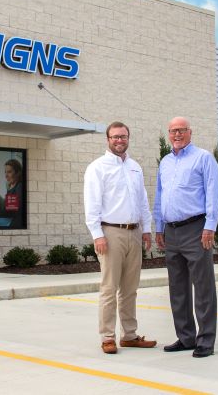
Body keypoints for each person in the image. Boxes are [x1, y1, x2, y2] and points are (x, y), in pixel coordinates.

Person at [84, 121, 156, 354]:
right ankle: (107, 337)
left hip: (134, 232)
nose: (119, 140)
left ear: (128, 138)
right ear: (108, 139)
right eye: (114, 137)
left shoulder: (135, 167)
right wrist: (97, 235)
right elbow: (92, 204)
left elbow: (142, 201)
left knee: (130, 288)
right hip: (110, 233)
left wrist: (146, 229)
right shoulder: (98, 167)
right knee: (109, 288)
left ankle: (130, 335)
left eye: (123, 136)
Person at [153, 116, 218, 358]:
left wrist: (210, 226)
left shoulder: (203, 158)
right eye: (172, 131)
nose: (177, 135)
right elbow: (160, 196)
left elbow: (214, 193)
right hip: (171, 231)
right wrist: (159, 227)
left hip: (196, 229)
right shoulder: (165, 162)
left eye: (181, 130)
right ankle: (185, 337)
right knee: (177, 288)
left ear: (190, 132)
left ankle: (206, 340)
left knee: (203, 288)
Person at [3, 158, 24, 228]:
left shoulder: (19, 187)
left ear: (18, 173)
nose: (6, 175)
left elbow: (10, 211)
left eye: (9, 172)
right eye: (5, 172)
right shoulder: (13, 187)